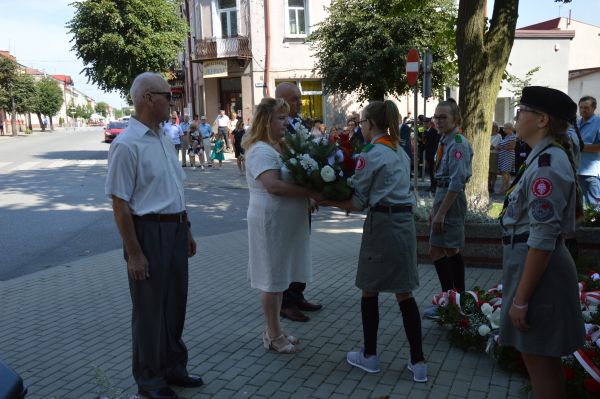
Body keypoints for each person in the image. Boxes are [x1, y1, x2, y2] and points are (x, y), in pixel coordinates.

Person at [105, 72, 202, 399]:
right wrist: (134, 253)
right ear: (148, 98)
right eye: (168, 95)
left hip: (174, 229)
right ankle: (150, 381)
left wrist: (185, 228)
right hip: (148, 233)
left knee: (175, 305)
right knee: (149, 312)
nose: (172, 101)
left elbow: (174, 189)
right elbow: (120, 205)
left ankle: (174, 367)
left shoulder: (163, 137)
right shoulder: (126, 145)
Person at [323, 100, 427, 381]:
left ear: (370, 124)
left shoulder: (370, 154)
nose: (360, 127)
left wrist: (322, 197)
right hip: (404, 224)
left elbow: (358, 202)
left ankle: (369, 356)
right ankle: (418, 362)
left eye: (362, 122)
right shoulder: (400, 151)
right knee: (405, 292)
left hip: (381, 225)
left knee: (370, 289)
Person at [499, 86, 585, 399]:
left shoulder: (549, 165)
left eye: (521, 111)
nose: (516, 116)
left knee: (539, 361)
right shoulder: (542, 158)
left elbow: (542, 239)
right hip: (532, 266)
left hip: (540, 272)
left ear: (542, 120)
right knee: (536, 358)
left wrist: (521, 300)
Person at [243, 97, 322, 353]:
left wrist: (308, 195)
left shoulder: (279, 147)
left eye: (286, 117)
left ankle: (274, 329)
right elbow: (274, 186)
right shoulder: (259, 150)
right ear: (266, 121)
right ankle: (274, 335)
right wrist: (307, 190)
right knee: (271, 279)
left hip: (284, 221)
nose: (286, 123)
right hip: (270, 221)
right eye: (280, 118)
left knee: (281, 279)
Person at [274, 82, 323, 322]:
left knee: (302, 247)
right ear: (281, 100)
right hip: (287, 202)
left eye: (299, 98)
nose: (299, 103)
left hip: (302, 200)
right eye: (294, 99)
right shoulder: (277, 128)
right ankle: (285, 302)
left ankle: (298, 293)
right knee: (289, 251)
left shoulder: (301, 125)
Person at [423, 99, 473, 320]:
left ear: (456, 119)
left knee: (449, 249)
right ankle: (450, 298)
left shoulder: (458, 143)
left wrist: (442, 212)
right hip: (442, 195)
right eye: (436, 117)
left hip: (451, 199)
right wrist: (436, 208)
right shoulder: (444, 140)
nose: (438, 121)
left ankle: (457, 301)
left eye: (443, 117)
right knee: (438, 250)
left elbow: (457, 182)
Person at [577, 95, 600, 210]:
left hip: (590, 172)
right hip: (575, 170)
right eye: (581, 107)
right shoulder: (576, 122)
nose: (583, 110)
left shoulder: (598, 122)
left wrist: (580, 147)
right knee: (580, 206)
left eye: (586, 107)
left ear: (594, 108)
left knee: (595, 206)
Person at [498, 123, 517, 194]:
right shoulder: (506, 136)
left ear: (510, 128)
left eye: (505, 128)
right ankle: (507, 188)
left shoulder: (513, 136)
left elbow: (512, 147)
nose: (503, 130)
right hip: (503, 156)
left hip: (508, 156)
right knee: (506, 173)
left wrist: (501, 147)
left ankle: (502, 189)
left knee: (505, 172)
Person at [423, 118, 439, 192]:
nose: (425, 124)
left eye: (426, 123)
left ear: (429, 123)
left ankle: (434, 186)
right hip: (428, 154)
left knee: (433, 171)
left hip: (432, 154)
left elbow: (434, 144)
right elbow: (425, 142)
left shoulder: (434, 131)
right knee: (430, 171)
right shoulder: (426, 131)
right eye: (424, 123)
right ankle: (432, 185)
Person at [488, 122, 501, 194]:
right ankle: (488, 184)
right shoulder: (488, 135)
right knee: (488, 171)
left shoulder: (498, 136)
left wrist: (490, 146)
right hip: (487, 154)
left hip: (494, 155)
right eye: (492, 126)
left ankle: (492, 186)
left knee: (493, 172)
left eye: (494, 127)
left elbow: (493, 147)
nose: (492, 128)